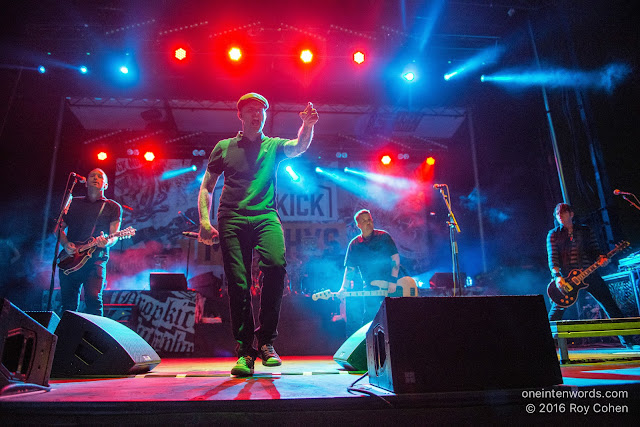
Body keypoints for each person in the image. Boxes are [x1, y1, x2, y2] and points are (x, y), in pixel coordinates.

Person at [198, 93, 318, 376]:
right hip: (232, 219)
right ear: (240, 115)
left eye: (262, 110)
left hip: (265, 216)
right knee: (238, 284)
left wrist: (308, 126)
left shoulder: (273, 146)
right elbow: (207, 186)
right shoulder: (224, 147)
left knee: (276, 266)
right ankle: (244, 352)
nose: (258, 115)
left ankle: (266, 343)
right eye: (252, 110)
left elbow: (299, 146)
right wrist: (204, 220)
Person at [546, 203, 636, 348]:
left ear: (571, 214)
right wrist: (557, 276)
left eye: (563, 213)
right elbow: (553, 257)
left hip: (590, 274)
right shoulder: (554, 234)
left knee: (610, 305)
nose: (560, 217)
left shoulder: (585, 230)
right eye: (558, 215)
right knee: (557, 309)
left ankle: (629, 342)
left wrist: (603, 259)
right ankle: (542, 343)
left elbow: (596, 250)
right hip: (567, 280)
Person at [57, 168, 122, 316]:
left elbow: (114, 236)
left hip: (95, 260)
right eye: (92, 175)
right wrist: (66, 244)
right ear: (86, 183)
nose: (95, 178)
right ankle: (65, 338)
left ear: (105, 185)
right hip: (71, 259)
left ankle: (94, 338)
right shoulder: (73, 203)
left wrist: (106, 243)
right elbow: (58, 228)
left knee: (93, 300)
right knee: (68, 304)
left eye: (100, 177)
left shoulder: (113, 207)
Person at [338, 209, 400, 337]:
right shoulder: (354, 244)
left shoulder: (383, 237)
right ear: (358, 225)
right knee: (370, 320)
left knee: (393, 318)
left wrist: (393, 281)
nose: (368, 223)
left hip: (391, 284)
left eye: (370, 220)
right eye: (364, 221)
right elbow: (349, 270)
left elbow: (395, 258)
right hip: (370, 287)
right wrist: (343, 288)